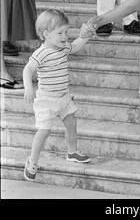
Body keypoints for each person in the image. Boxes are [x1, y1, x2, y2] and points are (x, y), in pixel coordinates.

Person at [22, 9, 96, 181]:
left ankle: (72, 152)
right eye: (60, 33)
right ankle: (32, 161)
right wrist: (28, 87)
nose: (65, 36)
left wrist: (85, 36)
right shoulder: (42, 53)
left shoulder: (63, 48)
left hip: (63, 97)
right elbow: (28, 69)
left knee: (71, 122)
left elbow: (76, 46)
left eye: (66, 32)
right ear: (46, 34)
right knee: (44, 131)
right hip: (46, 100)